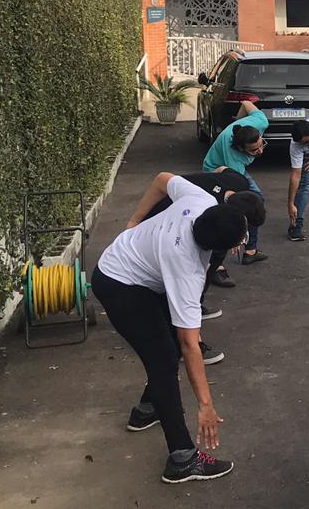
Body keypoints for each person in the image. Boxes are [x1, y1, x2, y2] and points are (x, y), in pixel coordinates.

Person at [93, 176, 248, 483]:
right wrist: (205, 405)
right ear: (219, 249)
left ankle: (148, 409)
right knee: (164, 361)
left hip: (136, 270)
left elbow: (162, 179)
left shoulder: (201, 202)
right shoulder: (186, 270)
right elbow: (190, 345)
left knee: (166, 351)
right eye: (239, 241)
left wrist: (135, 221)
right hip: (119, 286)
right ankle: (182, 459)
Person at [125, 169, 267, 365]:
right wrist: (134, 221)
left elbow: (219, 169)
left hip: (171, 217)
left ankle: (185, 320)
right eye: (243, 233)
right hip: (159, 221)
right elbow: (191, 280)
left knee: (186, 285)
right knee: (174, 289)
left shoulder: (235, 184)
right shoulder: (206, 223)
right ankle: (184, 345)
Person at [202, 101, 269, 263]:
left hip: (236, 171)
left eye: (261, 145)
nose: (260, 151)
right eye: (254, 150)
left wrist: (235, 122)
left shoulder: (260, 122)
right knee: (223, 211)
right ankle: (216, 264)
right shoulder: (233, 157)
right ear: (240, 149)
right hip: (215, 171)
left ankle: (251, 251)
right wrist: (240, 234)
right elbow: (238, 198)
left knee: (257, 200)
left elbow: (246, 103)